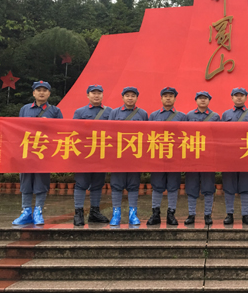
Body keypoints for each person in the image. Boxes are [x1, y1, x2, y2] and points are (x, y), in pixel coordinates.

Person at [13, 81, 63, 225]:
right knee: (26, 181)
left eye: (44, 90)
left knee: (42, 182)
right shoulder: (25, 109)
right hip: (27, 151)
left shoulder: (55, 111)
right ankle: (26, 211)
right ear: (33, 93)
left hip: (44, 152)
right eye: (38, 90)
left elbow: (62, 131)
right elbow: (16, 128)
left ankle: (38, 211)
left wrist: (50, 124)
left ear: (49, 93)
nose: (41, 93)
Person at [72, 85, 112, 226]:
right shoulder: (80, 112)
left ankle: (95, 212)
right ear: (88, 95)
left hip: (101, 153)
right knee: (81, 183)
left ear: (102, 95)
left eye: (99, 93)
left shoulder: (110, 112)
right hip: (84, 154)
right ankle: (78, 213)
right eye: (93, 93)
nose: (96, 95)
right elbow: (74, 132)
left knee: (97, 183)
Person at [108, 86, 149, 226]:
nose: (130, 98)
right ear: (122, 97)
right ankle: (116, 214)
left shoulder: (142, 114)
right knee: (116, 185)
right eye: (127, 95)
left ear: (137, 98)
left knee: (133, 185)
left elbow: (146, 134)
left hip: (135, 156)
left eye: (133, 95)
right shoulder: (114, 113)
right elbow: (109, 132)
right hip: (118, 155)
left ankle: (133, 214)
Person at [147, 87, 187, 226]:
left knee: (173, 186)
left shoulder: (182, 116)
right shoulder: (153, 116)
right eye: (165, 96)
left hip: (175, 157)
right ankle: (155, 213)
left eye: (171, 96)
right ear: (161, 98)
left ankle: (171, 213)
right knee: (157, 185)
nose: (168, 98)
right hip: (158, 156)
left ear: (175, 99)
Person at [221, 87, 248, 225]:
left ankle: (245, 214)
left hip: (246, 155)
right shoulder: (226, 114)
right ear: (232, 98)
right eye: (236, 95)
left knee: (245, 185)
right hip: (229, 156)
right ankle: (229, 214)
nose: (239, 98)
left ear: (246, 97)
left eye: (241, 95)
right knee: (229, 185)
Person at [184, 91, 220, 226]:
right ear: (196, 100)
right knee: (191, 186)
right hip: (192, 156)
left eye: (205, 98)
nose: (203, 100)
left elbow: (218, 136)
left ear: (209, 100)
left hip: (208, 157)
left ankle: (207, 215)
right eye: (200, 98)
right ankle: (191, 214)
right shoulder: (189, 116)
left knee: (208, 186)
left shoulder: (215, 116)